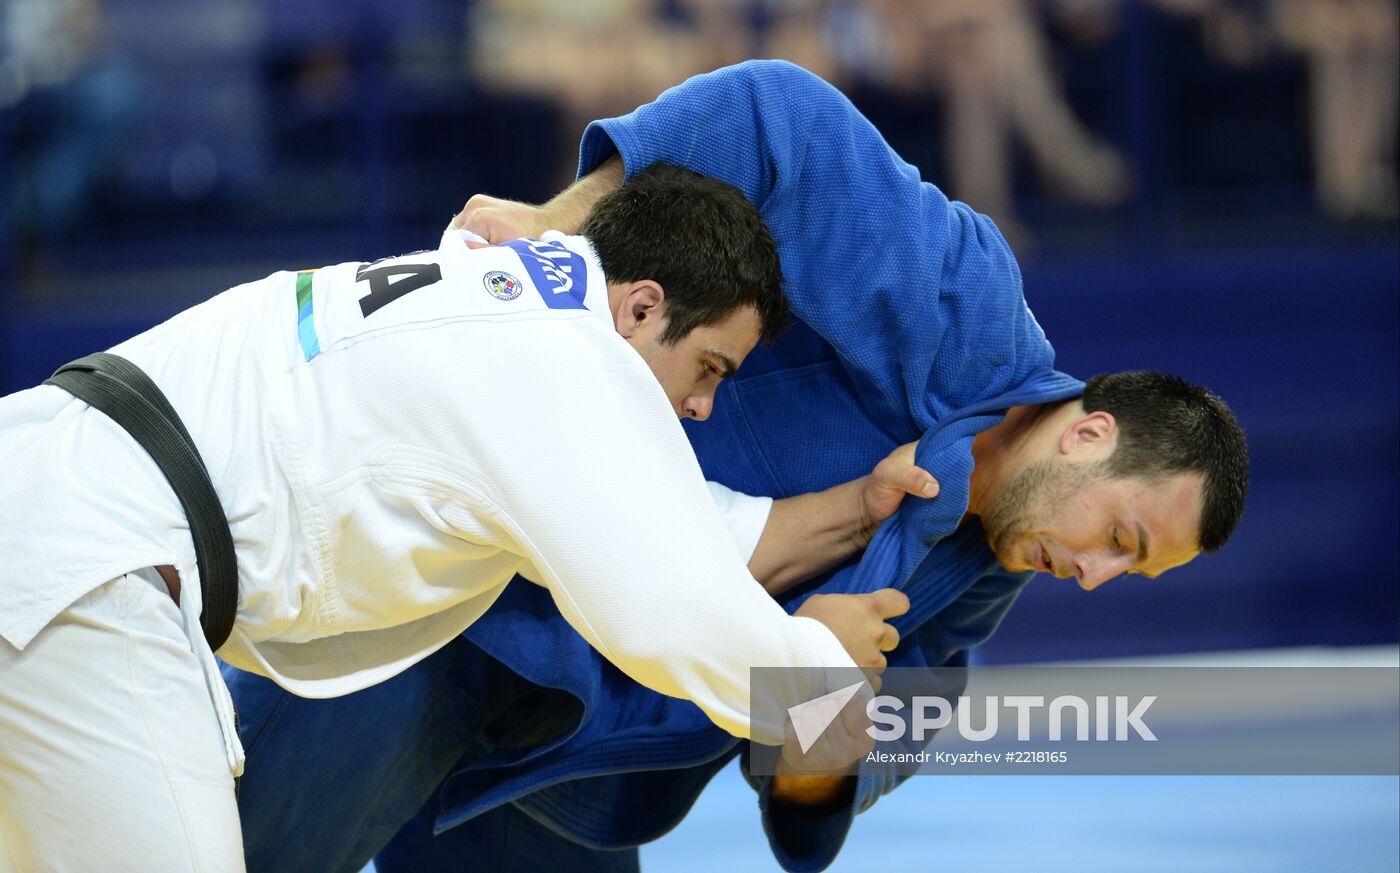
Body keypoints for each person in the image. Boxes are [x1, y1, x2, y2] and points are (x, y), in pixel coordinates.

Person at [226, 61, 1249, 873]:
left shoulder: (970, 588)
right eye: (1120, 538)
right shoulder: (964, 313)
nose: (1096, 577)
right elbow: (778, 121)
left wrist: (815, 731)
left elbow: (812, 804)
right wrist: (564, 226)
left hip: (549, 757)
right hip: (439, 604)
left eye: (1129, 570)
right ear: (1086, 433)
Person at [0, 163, 918, 873]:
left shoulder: (500, 287)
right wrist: (817, 679)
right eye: (710, 367)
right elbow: (672, 607)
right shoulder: (562, 361)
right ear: (644, 307)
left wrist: (862, 504)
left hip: (43, 492)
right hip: (88, 578)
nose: (703, 406)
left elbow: (670, 529)